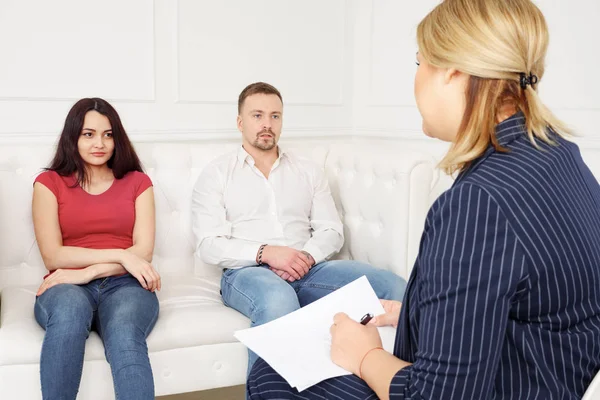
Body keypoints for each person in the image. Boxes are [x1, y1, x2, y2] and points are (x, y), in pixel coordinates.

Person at [246, 0, 600, 398]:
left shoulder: (478, 203)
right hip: (555, 378)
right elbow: (531, 303)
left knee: (270, 375)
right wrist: (416, 315)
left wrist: (364, 357)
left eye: (419, 64)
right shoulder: (560, 155)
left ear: (453, 72)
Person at [191, 82, 407, 374]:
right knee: (279, 300)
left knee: (392, 286)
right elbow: (208, 244)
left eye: (275, 116)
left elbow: (331, 230)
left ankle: (405, 385)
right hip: (246, 273)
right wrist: (266, 253)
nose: (267, 124)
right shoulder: (217, 174)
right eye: (257, 116)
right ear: (240, 122)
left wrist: (303, 258)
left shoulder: (307, 170)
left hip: (310, 268)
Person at [32, 98, 161, 400]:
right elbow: (53, 255)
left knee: (126, 333)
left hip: (126, 285)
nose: (99, 143)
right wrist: (120, 254)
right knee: (68, 314)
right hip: (66, 284)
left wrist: (92, 271)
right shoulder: (48, 183)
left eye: (108, 134)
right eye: (88, 134)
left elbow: (143, 253)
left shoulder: (138, 183)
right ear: (73, 137)